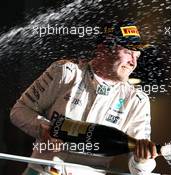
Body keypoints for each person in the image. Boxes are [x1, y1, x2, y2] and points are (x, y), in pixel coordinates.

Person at [10, 21, 158, 175]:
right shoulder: (65, 72)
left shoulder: (137, 101)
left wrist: (143, 160)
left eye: (137, 55)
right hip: (41, 171)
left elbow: (139, 170)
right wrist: (44, 129)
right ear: (103, 49)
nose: (133, 62)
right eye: (128, 52)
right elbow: (19, 111)